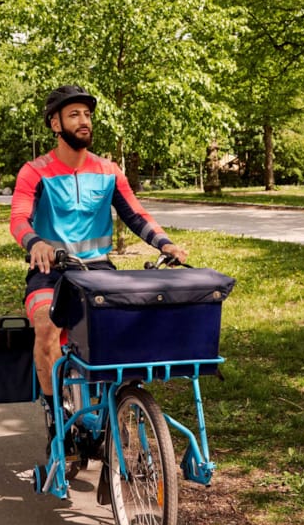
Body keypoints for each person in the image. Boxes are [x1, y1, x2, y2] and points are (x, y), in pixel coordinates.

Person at [10, 84, 187, 439]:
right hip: (50, 272)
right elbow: (18, 218)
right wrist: (36, 243)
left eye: (87, 114)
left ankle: (119, 405)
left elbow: (135, 215)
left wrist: (165, 244)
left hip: (98, 271)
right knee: (46, 329)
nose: (84, 121)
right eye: (74, 114)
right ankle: (55, 415)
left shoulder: (108, 170)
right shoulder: (35, 171)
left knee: (126, 334)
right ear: (55, 124)